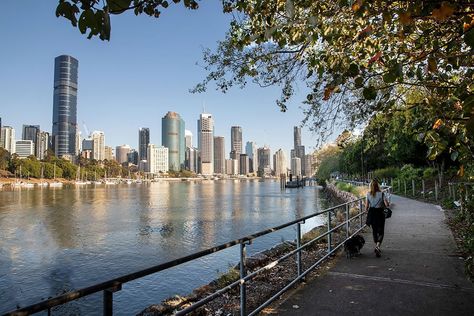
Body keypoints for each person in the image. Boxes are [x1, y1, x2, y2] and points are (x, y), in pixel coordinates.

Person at [365, 179, 389, 257]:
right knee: (381, 231)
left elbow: (366, 207)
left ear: (371, 186)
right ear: (378, 186)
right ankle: (378, 246)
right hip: (380, 213)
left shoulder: (368, 194)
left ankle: (376, 246)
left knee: (374, 231)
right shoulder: (382, 194)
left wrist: (367, 210)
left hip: (372, 213)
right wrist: (384, 203)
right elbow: (387, 204)